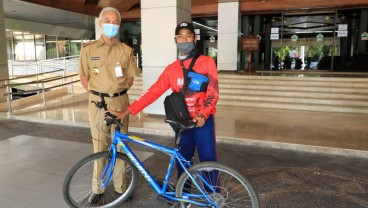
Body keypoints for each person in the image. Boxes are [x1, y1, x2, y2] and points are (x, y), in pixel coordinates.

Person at [110, 21, 219, 184]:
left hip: (203, 122)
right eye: (180, 37)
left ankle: (213, 199)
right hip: (182, 123)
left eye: (188, 36)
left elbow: (213, 92)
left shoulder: (207, 62)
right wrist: (128, 110)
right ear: (175, 41)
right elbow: (153, 92)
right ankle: (185, 198)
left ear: (195, 39)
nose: (184, 40)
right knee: (183, 162)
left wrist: (204, 113)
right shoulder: (171, 69)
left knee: (209, 163)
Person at [78, 7, 139, 204]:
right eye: (108, 21)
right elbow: (84, 78)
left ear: (119, 25)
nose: (111, 25)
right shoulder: (88, 50)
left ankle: (121, 187)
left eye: (115, 22)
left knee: (121, 145)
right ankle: (98, 188)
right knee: (100, 145)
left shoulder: (126, 50)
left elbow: (130, 79)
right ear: (100, 23)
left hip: (121, 100)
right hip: (98, 103)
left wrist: (116, 92)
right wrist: (99, 93)